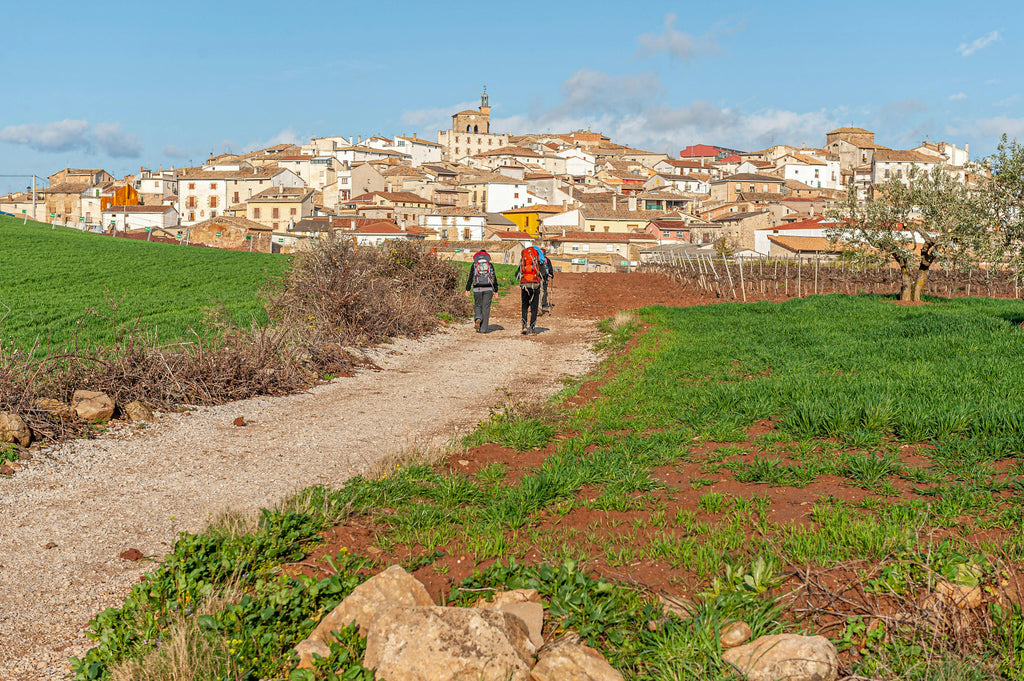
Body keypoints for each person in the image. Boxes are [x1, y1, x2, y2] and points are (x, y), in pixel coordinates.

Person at [465, 249, 498, 333]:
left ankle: (478, 318)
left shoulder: (474, 265)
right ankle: (483, 329)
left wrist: (467, 289)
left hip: (477, 288)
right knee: (486, 308)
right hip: (488, 289)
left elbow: (470, 277)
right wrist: (496, 290)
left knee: (477, 305)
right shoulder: (490, 265)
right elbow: (493, 277)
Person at [516, 244, 542, 334]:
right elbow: (542, 273)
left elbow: (517, 274)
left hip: (524, 285)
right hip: (535, 285)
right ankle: (532, 328)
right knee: (534, 308)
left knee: (524, 306)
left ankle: (524, 325)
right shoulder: (537, 262)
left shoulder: (523, 261)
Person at [540, 247, 554, 313]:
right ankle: (543, 303)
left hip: (538, 277)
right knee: (544, 290)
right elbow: (550, 269)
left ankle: (537, 303)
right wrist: (551, 275)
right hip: (545, 277)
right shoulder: (547, 260)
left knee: (539, 290)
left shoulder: (537, 260)